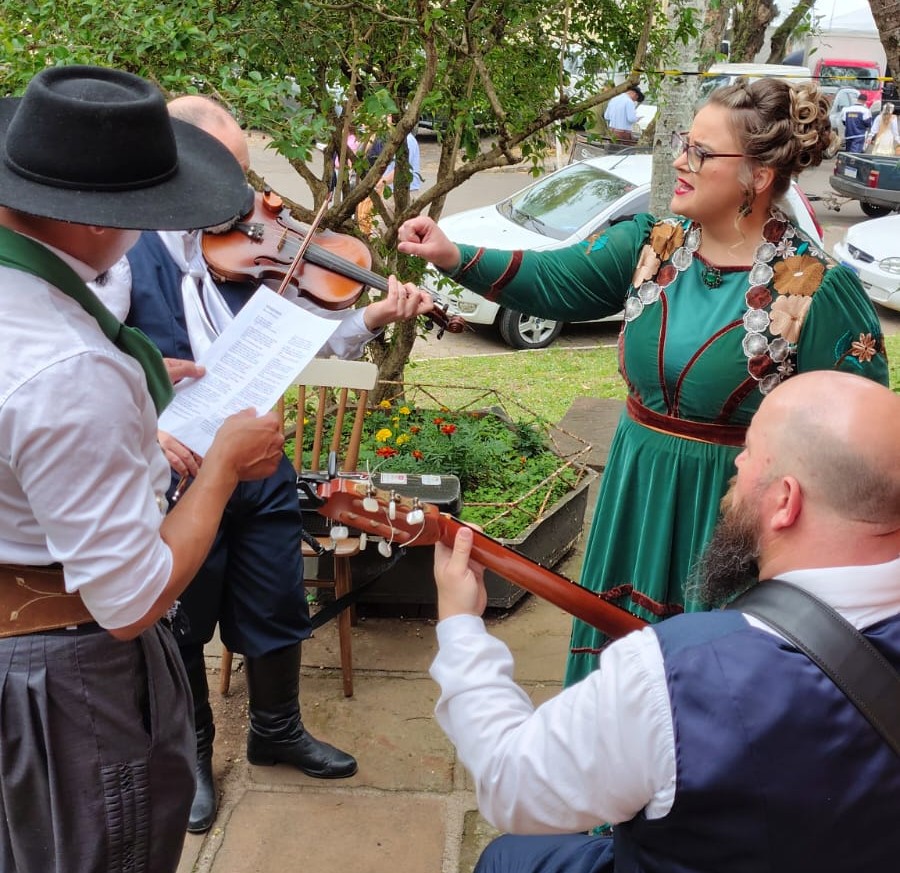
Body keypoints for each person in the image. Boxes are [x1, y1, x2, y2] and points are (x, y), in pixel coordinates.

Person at [398, 76, 890, 688]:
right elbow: (554, 279)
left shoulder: (815, 287)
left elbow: (861, 453)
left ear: (758, 176)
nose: (680, 160)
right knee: (618, 680)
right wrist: (451, 255)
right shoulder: (651, 246)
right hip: (635, 491)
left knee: (707, 690)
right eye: (684, 143)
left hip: (730, 519)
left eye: (701, 152)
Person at [96, 94, 434, 835]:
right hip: (177, 478)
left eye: (245, 175)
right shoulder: (116, 256)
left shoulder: (245, 246)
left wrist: (371, 316)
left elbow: (299, 337)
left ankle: (276, 731)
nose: (245, 197)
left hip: (262, 465)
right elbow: (87, 371)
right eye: (228, 175)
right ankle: (191, 755)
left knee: (279, 600)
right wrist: (144, 430)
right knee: (181, 621)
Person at [430, 370, 900, 873]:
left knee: (507, 857)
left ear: (785, 502)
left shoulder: (677, 677)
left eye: (750, 452)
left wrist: (460, 625)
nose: (737, 463)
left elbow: (510, 782)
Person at [0, 65, 286, 872]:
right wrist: (222, 465)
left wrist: (137, 380)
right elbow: (129, 599)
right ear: (101, 220)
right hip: (68, 676)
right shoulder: (69, 368)